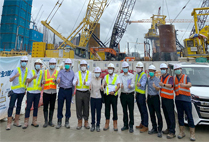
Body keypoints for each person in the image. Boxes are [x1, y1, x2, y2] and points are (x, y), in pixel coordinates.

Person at [6, 56, 29, 130]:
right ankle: (9, 123)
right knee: (11, 106)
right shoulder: (16, 70)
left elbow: (26, 81)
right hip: (15, 92)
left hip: (22, 92)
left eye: (25, 62)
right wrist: (16, 75)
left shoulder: (27, 71)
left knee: (19, 106)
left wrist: (25, 88)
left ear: (27, 63)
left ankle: (16, 121)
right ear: (20, 62)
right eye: (23, 61)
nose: (24, 63)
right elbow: (10, 79)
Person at [174, 64, 195, 141]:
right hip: (178, 100)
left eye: (178, 69)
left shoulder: (186, 77)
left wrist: (184, 85)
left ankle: (192, 134)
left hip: (186, 100)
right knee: (180, 116)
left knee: (189, 116)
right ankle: (181, 132)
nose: (177, 70)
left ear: (181, 69)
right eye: (176, 69)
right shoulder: (174, 78)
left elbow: (190, 85)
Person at [22, 59, 43, 129]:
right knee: (28, 107)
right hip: (30, 92)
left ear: (41, 66)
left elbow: (42, 81)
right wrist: (33, 78)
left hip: (37, 93)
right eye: (36, 64)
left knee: (36, 107)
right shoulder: (31, 72)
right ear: (34, 65)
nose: (38, 65)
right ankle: (26, 122)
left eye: (39, 64)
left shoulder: (41, 73)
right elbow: (27, 80)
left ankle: (34, 121)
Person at [56, 58, 74, 129]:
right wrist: (58, 80)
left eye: (68, 64)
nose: (67, 65)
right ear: (64, 64)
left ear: (70, 65)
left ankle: (67, 121)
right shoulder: (61, 72)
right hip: (62, 90)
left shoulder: (72, 73)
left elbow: (73, 83)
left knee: (68, 106)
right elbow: (58, 79)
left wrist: (73, 93)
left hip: (69, 90)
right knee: (60, 106)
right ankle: (59, 121)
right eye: (66, 64)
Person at [73, 60, 92, 130]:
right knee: (79, 107)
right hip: (79, 92)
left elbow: (90, 81)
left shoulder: (89, 73)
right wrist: (75, 82)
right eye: (82, 65)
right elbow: (73, 82)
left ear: (86, 66)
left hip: (86, 92)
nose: (83, 66)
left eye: (84, 65)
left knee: (86, 108)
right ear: (80, 66)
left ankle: (86, 122)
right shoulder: (77, 73)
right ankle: (79, 122)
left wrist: (86, 83)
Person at [159, 63, 176, 139]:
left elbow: (171, 85)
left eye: (164, 69)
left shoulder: (170, 77)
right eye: (161, 69)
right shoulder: (160, 77)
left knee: (171, 115)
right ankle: (169, 128)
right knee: (166, 115)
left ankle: (172, 132)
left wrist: (163, 85)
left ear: (166, 70)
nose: (162, 70)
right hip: (163, 98)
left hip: (169, 99)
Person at [103, 63, 120, 131]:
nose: (110, 70)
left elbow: (118, 85)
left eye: (111, 69)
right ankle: (107, 123)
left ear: (113, 69)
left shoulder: (116, 76)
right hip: (107, 95)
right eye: (109, 69)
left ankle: (115, 124)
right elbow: (104, 86)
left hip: (114, 96)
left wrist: (114, 91)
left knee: (114, 110)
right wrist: (104, 85)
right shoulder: (106, 77)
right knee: (107, 110)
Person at [147, 65, 163, 138]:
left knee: (158, 113)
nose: (150, 72)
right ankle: (154, 128)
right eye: (149, 71)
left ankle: (160, 129)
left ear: (154, 72)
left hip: (155, 98)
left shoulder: (157, 80)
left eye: (152, 71)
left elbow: (158, 89)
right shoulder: (148, 79)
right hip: (149, 98)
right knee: (151, 113)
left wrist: (155, 87)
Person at [42, 58, 59, 128]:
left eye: (53, 64)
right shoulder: (45, 72)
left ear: (55, 65)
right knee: (45, 107)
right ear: (49, 64)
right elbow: (41, 81)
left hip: (53, 92)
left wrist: (56, 81)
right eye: (51, 64)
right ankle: (46, 121)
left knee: (52, 107)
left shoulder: (57, 72)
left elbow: (58, 81)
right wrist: (43, 82)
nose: (52, 65)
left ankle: (50, 121)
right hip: (46, 92)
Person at [119, 62, 135, 133]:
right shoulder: (120, 76)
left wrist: (131, 86)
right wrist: (120, 86)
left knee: (131, 111)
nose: (125, 69)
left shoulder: (131, 75)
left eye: (126, 68)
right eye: (124, 68)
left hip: (130, 95)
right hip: (123, 95)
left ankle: (131, 125)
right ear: (122, 68)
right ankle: (125, 125)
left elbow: (134, 84)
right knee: (124, 110)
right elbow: (118, 83)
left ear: (128, 68)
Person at [135, 61, 149, 133]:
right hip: (137, 94)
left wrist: (140, 84)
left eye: (139, 67)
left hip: (142, 95)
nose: (138, 69)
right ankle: (142, 123)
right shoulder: (137, 75)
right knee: (140, 110)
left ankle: (145, 125)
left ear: (142, 68)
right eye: (137, 67)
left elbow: (143, 83)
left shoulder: (144, 75)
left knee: (144, 110)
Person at [89, 67, 103, 132]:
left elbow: (103, 90)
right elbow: (90, 89)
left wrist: (103, 88)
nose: (97, 74)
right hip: (93, 97)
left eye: (98, 73)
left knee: (98, 112)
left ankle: (98, 125)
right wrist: (90, 88)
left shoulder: (102, 80)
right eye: (96, 73)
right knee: (92, 112)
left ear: (100, 73)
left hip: (99, 98)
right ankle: (93, 124)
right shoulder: (92, 80)